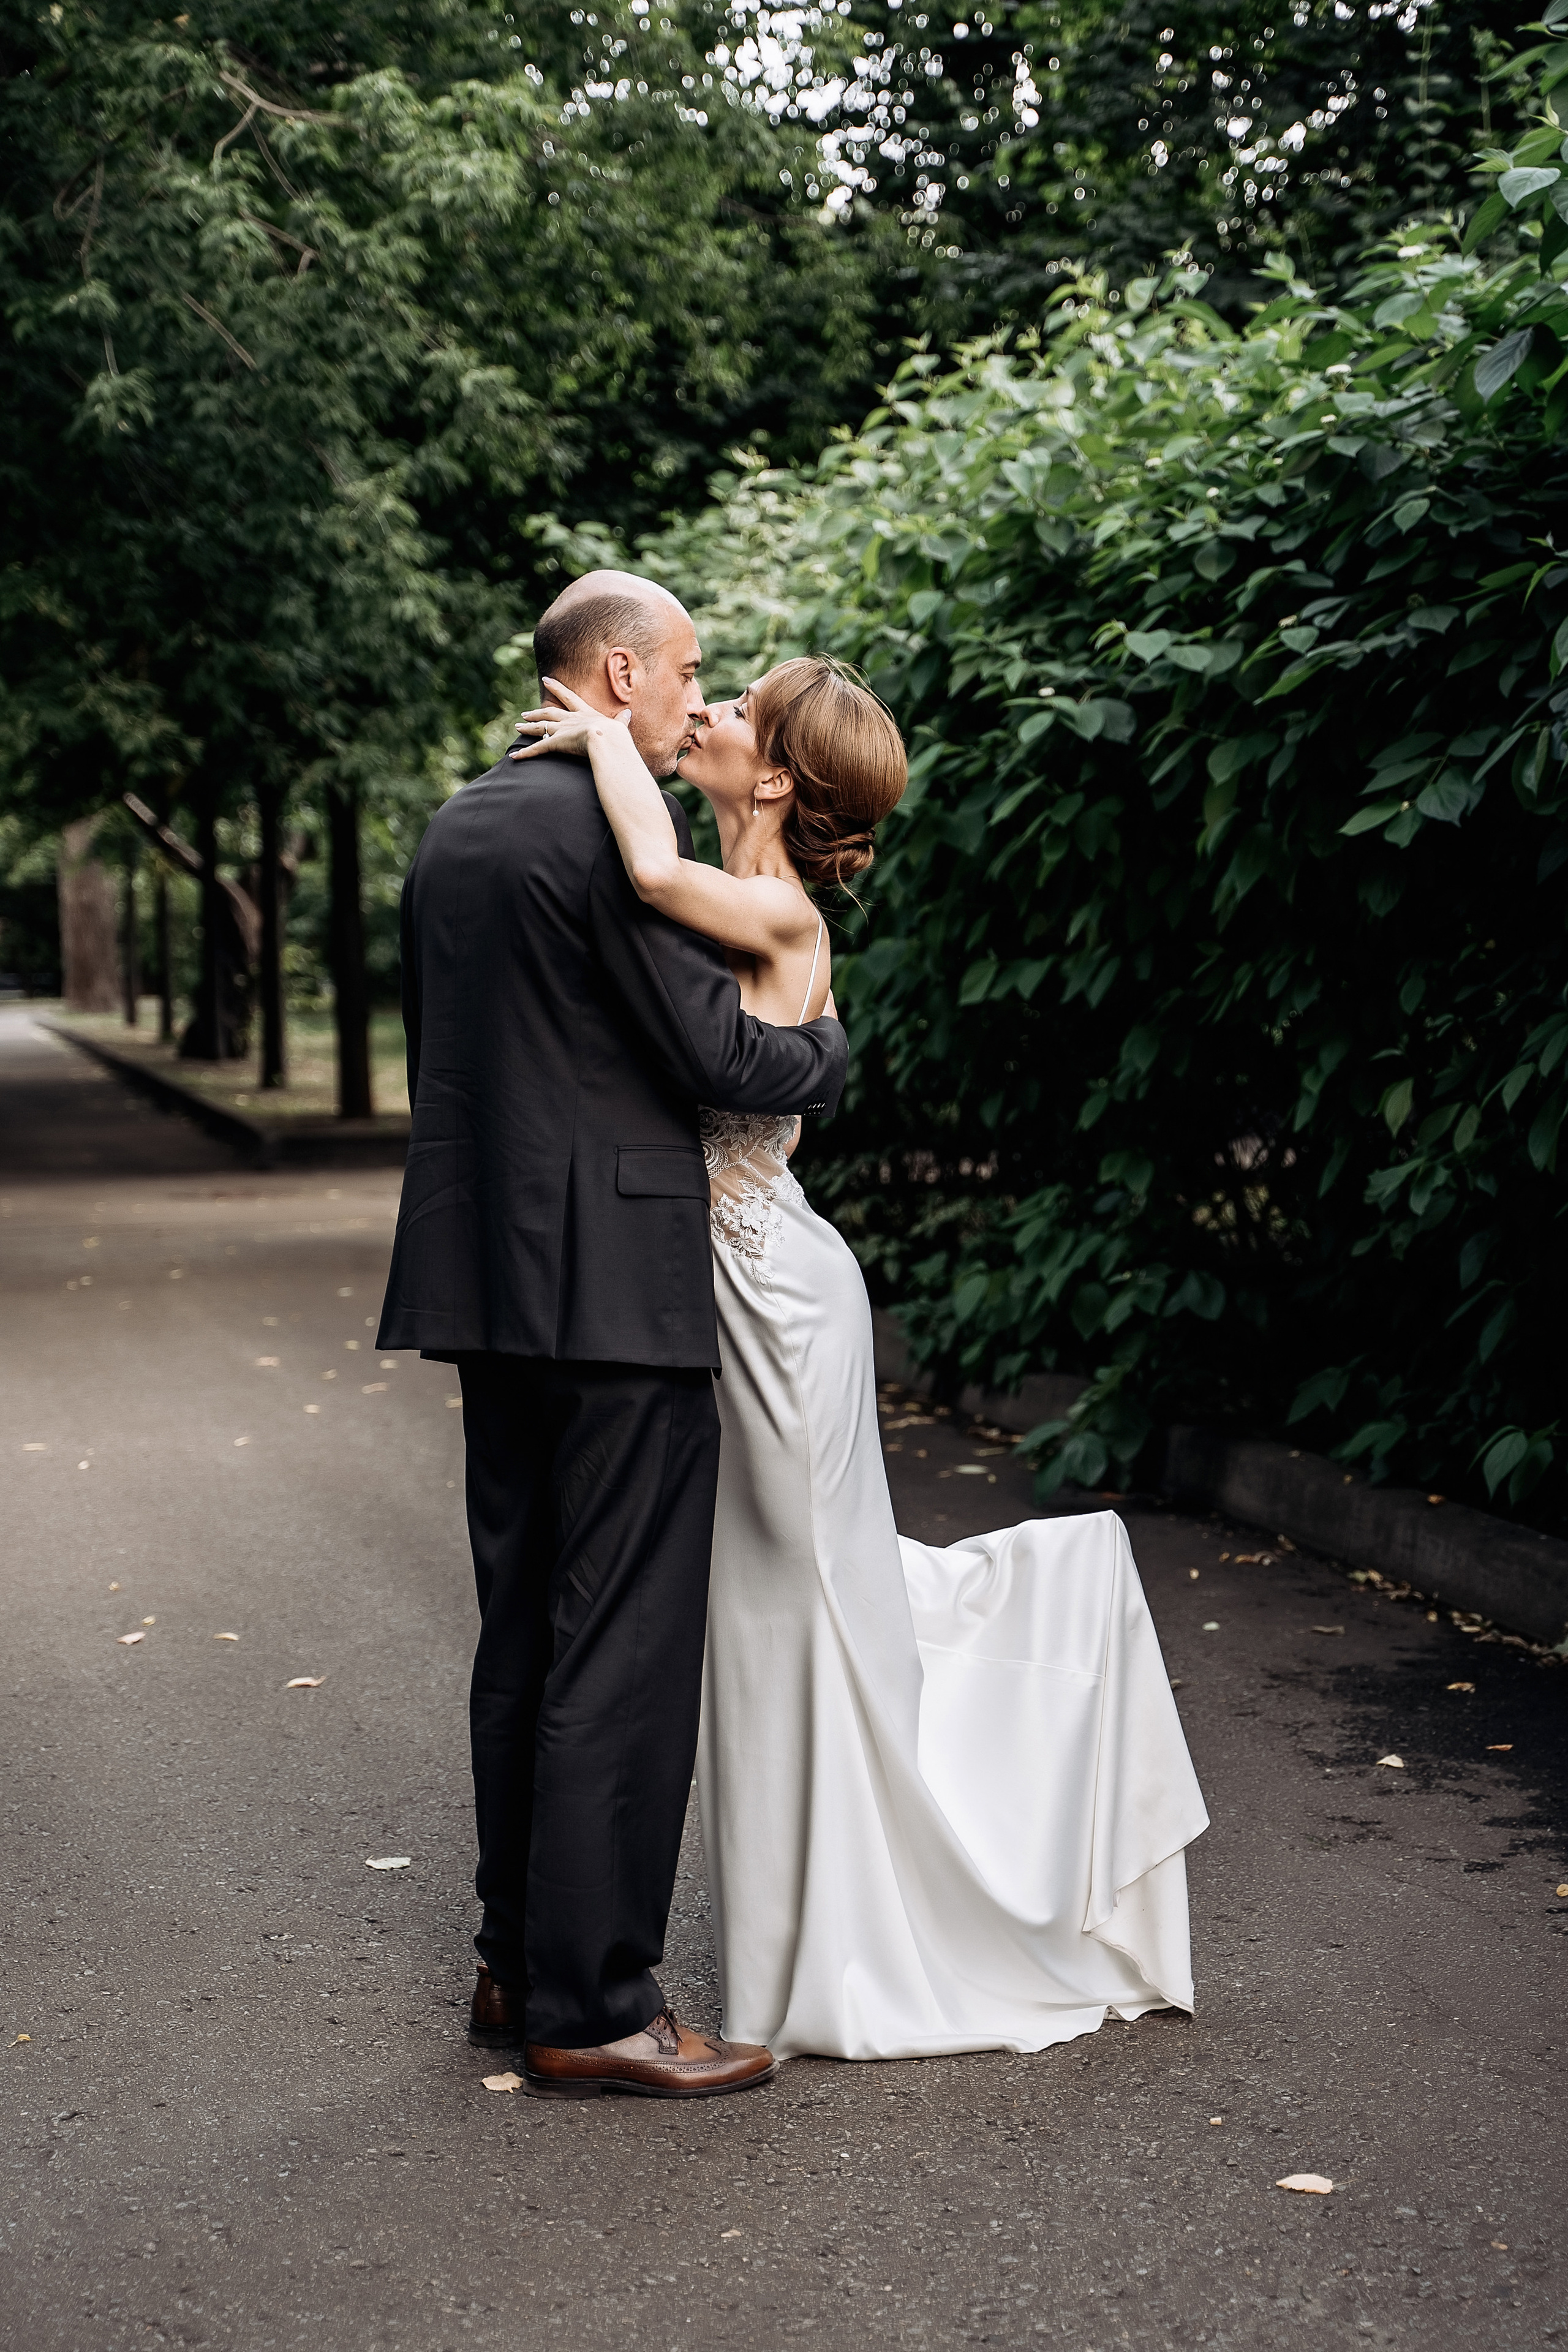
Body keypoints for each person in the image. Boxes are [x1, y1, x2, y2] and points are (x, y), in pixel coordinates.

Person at [511, 654, 1209, 2064]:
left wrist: (598, 737)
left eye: (733, 709)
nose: (705, 714)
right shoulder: (738, 880)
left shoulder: (774, 906)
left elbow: (642, 872)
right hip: (734, 1280)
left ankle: (864, 1942)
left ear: (774, 776)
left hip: (775, 1296)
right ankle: (803, 1945)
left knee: (801, 1594)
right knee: (767, 1604)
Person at [376, 573, 848, 2100]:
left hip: (486, 1281)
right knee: (623, 1642)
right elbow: (721, 1057)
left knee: (522, 1626)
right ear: (623, 673)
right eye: (688, 670)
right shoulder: (601, 830)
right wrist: (829, 1049)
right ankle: (592, 2005)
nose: (696, 697)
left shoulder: (456, 827)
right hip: (618, 1293)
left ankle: (513, 1961)